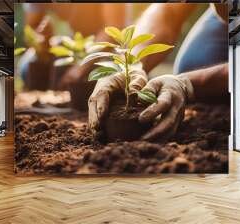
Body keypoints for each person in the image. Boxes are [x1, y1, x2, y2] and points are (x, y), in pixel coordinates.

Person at [87, 3, 229, 141]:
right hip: (227, 18)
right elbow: (168, 9)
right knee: (193, 63)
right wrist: (133, 65)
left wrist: (189, 83)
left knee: (201, 74)